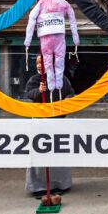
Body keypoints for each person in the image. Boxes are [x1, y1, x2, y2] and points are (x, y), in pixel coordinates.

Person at [25, 54, 74, 198]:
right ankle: (39, 187)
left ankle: (60, 185)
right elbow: (30, 94)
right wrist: (38, 91)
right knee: (39, 155)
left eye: (42, 62)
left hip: (58, 122)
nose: (39, 65)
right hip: (40, 122)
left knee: (58, 155)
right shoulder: (34, 80)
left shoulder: (62, 79)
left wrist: (67, 100)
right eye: (37, 63)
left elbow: (70, 93)